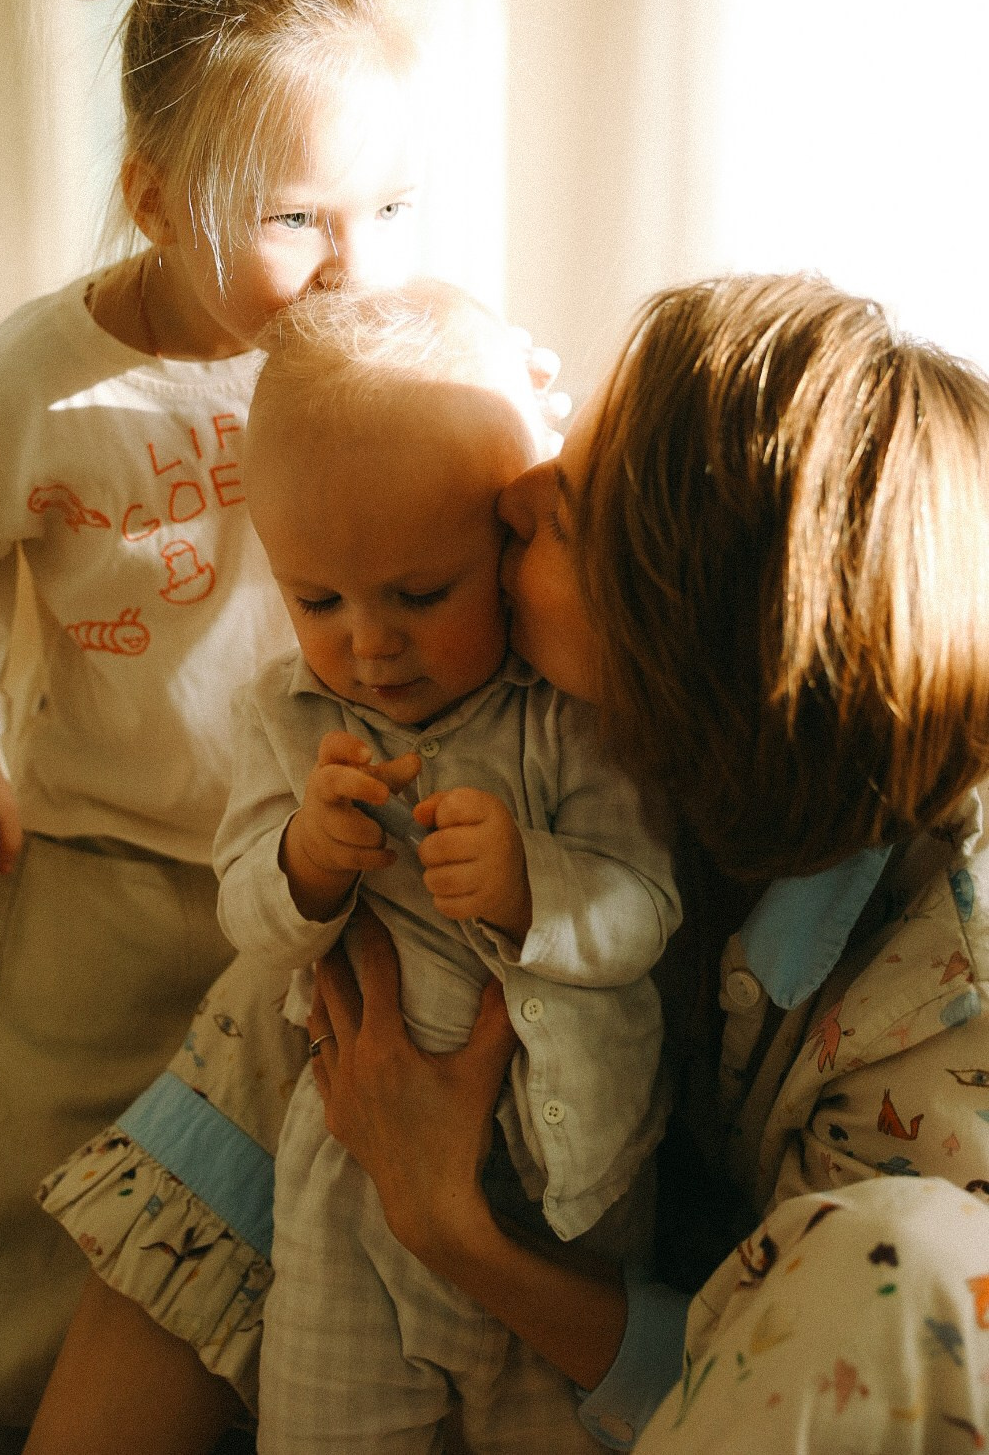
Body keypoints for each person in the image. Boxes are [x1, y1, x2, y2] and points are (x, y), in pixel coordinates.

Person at [31, 271, 989, 1454]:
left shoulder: (932, 1033)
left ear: (671, 648)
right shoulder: (517, 739)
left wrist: (449, 1227)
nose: (516, 492)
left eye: (566, 509)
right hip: (422, 1212)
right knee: (325, 980)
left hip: (632, 1315)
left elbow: (756, 1380)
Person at [0, 0, 431, 1438]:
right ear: (153, 198)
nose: (353, 263)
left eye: (388, 207)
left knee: (233, 1183)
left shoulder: (365, 351)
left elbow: (472, 483)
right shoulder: (44, 378)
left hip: (293, 856)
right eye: (295, 218)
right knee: (19, 1154)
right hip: (94, 851)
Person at [220, 279, 679, 1451]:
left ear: (505, 542)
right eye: (315, 598)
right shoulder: (288, 716)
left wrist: (535, 886)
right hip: (353, 1193)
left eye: (421, 594)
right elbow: (246, 913)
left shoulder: (565, 716)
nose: (368, 643)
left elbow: (646, 905)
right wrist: (305, 861)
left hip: (570, 1193)